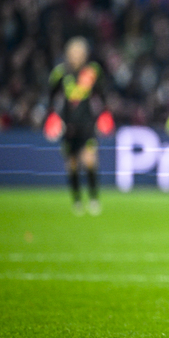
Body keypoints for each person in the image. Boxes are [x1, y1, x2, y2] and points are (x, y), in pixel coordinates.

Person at [47, 36, 112, 216]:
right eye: (73, 52)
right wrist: (51, 117)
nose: (76, 56)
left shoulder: (92, 72)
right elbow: (51, 99)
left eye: (79, 53)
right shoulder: (60, 73)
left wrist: (105, 114)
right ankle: (76, 200)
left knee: (90, 161)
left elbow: (102, 94)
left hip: (87, 124)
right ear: (68, 54)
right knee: (72, 165)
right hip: (68, 126)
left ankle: (93, 199)